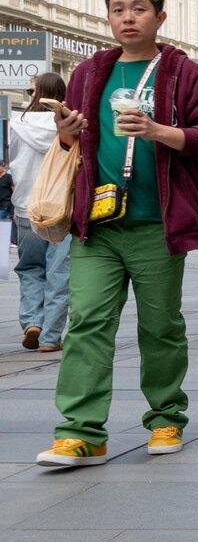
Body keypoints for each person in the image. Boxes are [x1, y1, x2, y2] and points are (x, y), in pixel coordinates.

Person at [38, 0, 198, 467]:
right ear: (109, 17)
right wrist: (65, 135)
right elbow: (78, 145)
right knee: (86, 324)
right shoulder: (88, 73)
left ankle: (166, 417)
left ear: (159, 17)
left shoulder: (185, 74)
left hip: (155, 225)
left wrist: (159, 131)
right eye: (119, 9)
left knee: (160, 326)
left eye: (139, 8)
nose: (128, 17)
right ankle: (81, 432)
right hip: (97, 226)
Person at [11, 73, 72, 351]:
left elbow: (11, 160)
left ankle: (32, 321)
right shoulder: (68, 123)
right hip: (60, 206)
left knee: (30, 267)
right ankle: (50, 337)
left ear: (36, 94)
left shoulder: (16, 123)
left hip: (26, 205)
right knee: (60, 272)